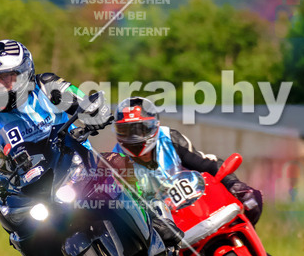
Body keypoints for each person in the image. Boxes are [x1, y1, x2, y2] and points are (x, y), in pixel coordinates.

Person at [0, 39, 112, 213]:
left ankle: (148, 218)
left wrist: (95, 113)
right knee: (20, 231)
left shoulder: (47, 85)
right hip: (32, 189)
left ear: (24, 72)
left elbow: (82, 101)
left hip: (78, 166)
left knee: (116, 170)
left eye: (5, 78)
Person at [107, 97, 264, 227]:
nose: (134, 138)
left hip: (194, 206)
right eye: (126, 131)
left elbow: (206, 163)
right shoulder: (115, 160)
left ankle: (248, 243)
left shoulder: (169, 138)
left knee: (252, 198)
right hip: (157, 225)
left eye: (140, 129)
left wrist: (233, 183)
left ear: (155, 125)